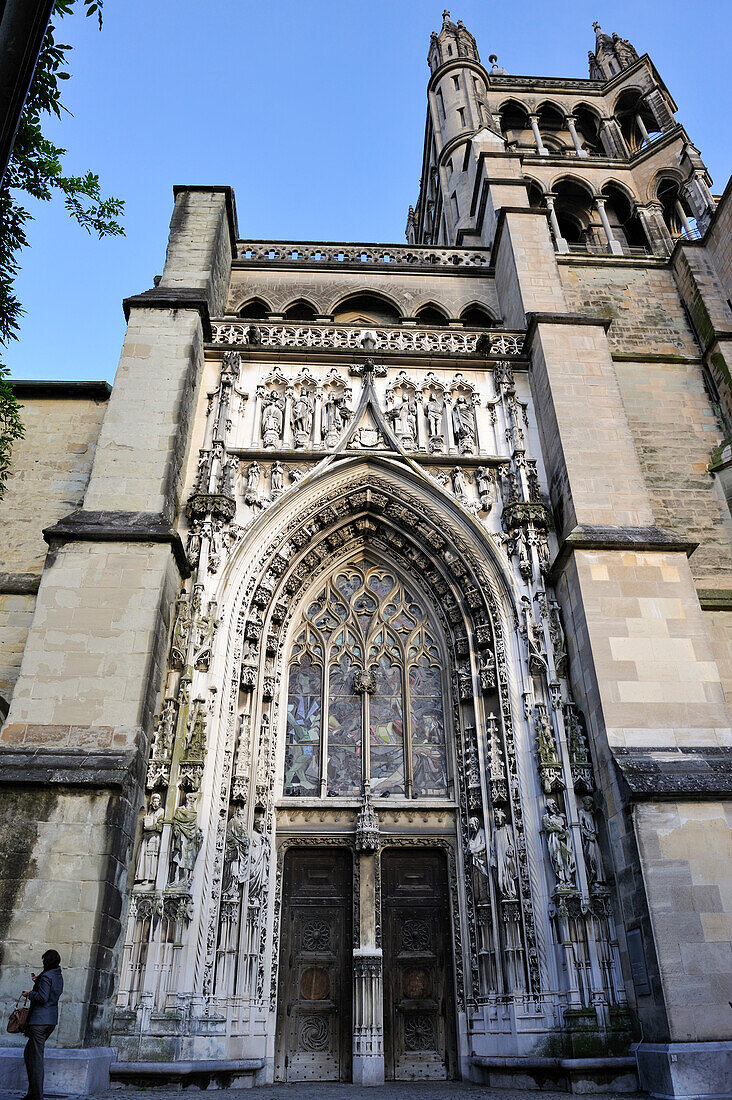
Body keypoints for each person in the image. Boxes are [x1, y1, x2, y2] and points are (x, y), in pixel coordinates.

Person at [21, 949, 63, 1100]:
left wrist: (29, 993)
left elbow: (43, 997)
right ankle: (32, 1092)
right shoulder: (57, 975)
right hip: (50, 1020)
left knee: (36, 1058)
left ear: (47, 961)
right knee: (29, 1053)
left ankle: (36, 1096)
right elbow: (51, 993)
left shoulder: (46, 976)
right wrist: (38, 983)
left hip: (39, 1021)